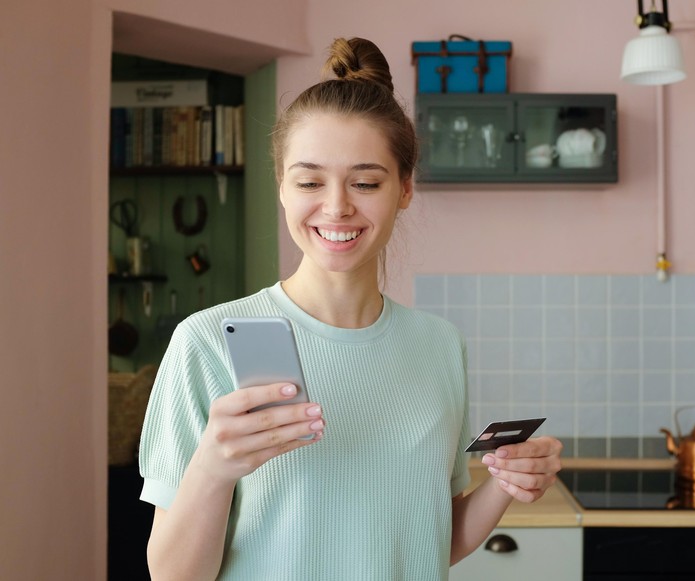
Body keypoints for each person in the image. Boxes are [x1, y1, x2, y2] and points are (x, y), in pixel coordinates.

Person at [139, 37, 562, 581]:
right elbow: (173, 575)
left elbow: (429, 538)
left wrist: (507, 485)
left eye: (365, 182)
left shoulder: (439, 346)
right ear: (282, 188)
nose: (337, 206)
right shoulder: (206, 342)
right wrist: (214, 471)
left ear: (405, 188)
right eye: (310, 181)